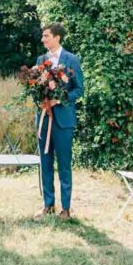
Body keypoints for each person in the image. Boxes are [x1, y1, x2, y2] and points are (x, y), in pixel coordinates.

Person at [33, 23, 84, 221]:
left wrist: (58, 100)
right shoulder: (41, 60)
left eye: (46, 36)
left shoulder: (72, 59)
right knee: (45, 162)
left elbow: (79, 90)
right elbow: (35, 87)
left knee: (64, 165)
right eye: (43, 36)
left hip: (63, 120)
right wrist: (40, 100)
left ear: (56, 38)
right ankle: (48, 204)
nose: (43, 39)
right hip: (44, 119)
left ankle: (66, 208)